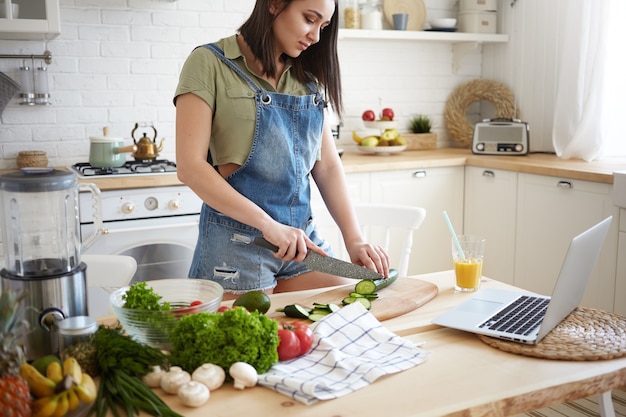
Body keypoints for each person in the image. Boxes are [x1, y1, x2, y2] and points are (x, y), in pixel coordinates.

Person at [174, 0, 390, 299]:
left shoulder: (307, 81)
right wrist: (268, 226)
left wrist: (354, 240)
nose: (315, 36)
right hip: (236, 246)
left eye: (323, 27)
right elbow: (190, 168)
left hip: (301, 244)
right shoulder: (209, 63)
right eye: (309, 19)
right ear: (275, 4)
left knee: (355, 302)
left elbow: (326, 166)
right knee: (255, 340)